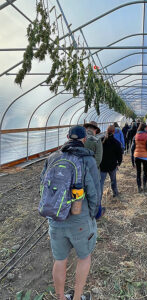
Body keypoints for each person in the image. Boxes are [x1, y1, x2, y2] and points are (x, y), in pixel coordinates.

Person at [41, 126, 100, 300]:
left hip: (56, 218)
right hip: (79, 218)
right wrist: (93, 212)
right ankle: (77, 297)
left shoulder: (52, 157)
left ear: (67, 137)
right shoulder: (86, 160)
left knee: (59, 260)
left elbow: (43, 187)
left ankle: (60, 297)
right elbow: (94, 191)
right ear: (83, 140)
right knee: (84, 257)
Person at [100, 125, 123, 198]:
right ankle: (115, 193)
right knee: (113, 180)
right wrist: (119, 162)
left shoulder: (101, 141)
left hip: (102, 165)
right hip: (112, 165)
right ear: (114, 132)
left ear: (106, 131)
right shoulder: (116, 142)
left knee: (101, 182)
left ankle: (99, 196)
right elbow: (119, 154)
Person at [131, 123, 147, 193]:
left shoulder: (135, 136)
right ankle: (144, 185)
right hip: (145, 157)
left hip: (137, 156)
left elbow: (132, 148)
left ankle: (139, 187)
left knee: (138, 172)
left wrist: (132, 156)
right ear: (144, 128)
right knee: (145, 171)